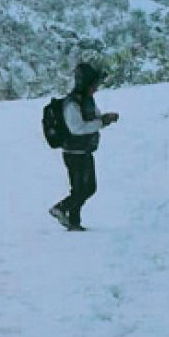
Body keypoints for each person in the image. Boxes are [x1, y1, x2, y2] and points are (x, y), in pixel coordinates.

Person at [49, 61, 119, 231]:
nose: (96, 88)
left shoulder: (86, 100)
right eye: (94, 84)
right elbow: (77, 128)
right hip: (74, 152)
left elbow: (92, 120)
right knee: (85, 188)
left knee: (83, 188)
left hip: (83, 150)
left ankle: (74, 221)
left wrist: (104, 120)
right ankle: (61, 209)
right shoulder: (72, 103)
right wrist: (102, 121)